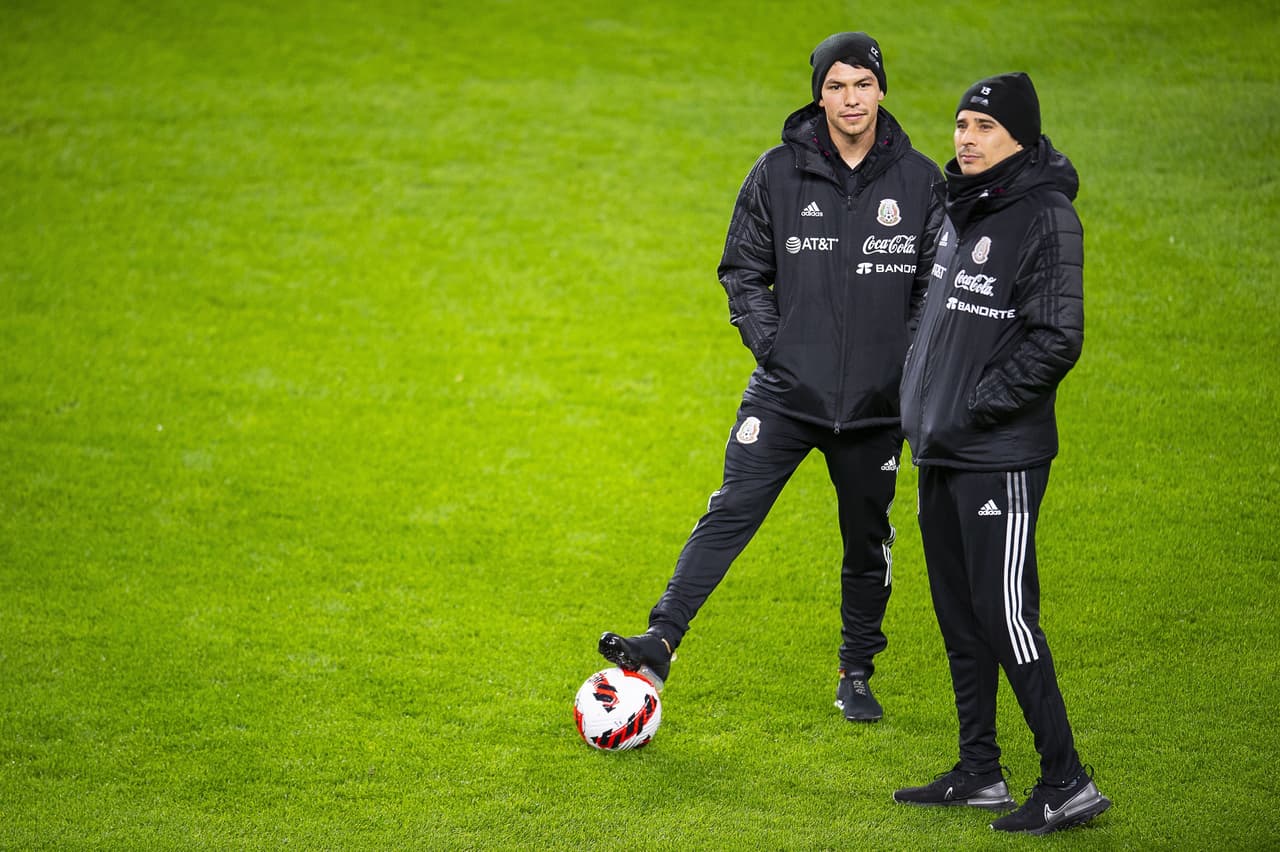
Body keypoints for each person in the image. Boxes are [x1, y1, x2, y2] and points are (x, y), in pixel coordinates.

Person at [598, 32, 943, 722]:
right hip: (786, 395)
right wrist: (778, 350)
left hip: (875, 410)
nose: (852, 99)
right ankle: (661, 640)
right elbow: (742, 271)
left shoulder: (920, 182)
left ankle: (856, 670)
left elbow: (935, 288)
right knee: (729, 511)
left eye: (863, 85)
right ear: (820, 93)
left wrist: (896, 366)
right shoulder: (777, 173)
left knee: (866, 537)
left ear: (881, 90)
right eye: (838, 86)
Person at [893, 72, 1110, 834]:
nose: (964, 139)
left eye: (982, 128)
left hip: (998, 454)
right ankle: (979, 770)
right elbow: (935, 314)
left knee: (1007, 614)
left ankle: (1067, 780)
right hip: (941, 449)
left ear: (1019, 136)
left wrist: (972, 409)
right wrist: (920, 405)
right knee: (959, 613)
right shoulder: (961, 206)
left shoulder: (1046, 218)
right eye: (959, 124)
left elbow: (1058, 339)